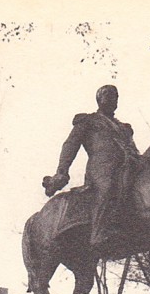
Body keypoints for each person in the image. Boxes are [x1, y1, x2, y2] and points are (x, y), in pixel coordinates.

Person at [43, 84, 141, 250]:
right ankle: (99, 233)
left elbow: (133, 149)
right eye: (108, 96)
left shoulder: (124, 128)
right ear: (99, 100)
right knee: (108, 186)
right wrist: (61, 172)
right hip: (102, 169)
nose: (113, 99)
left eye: (115, 96)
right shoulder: (87, 121)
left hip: (128, 167)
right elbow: (70, 145)